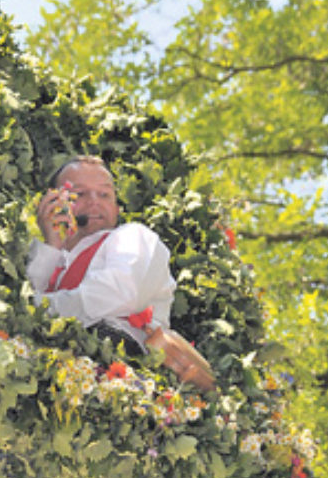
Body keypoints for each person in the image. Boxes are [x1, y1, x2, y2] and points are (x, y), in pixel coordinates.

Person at [28, 155, 215, 390]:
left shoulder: (132, 236)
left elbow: (117, 293)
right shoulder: (51, 258)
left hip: (124, 388)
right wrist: (51, 246)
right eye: (81, 194)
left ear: (117, 207)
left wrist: (37, 307)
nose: (95, 202)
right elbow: (21, 309)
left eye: (105, 194)